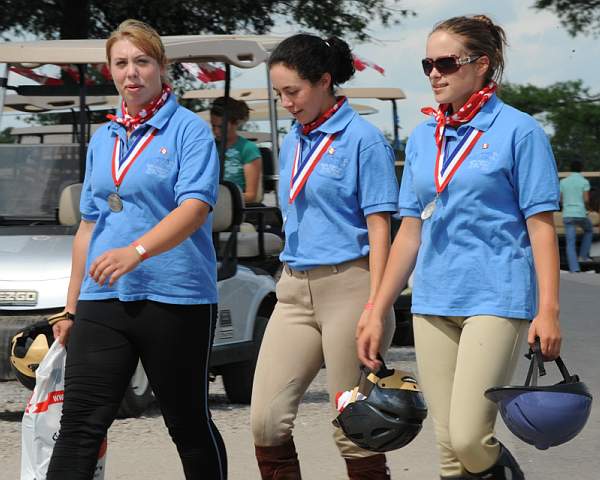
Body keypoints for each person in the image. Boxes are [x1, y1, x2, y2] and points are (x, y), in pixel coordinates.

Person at [357, 15, 561, 480]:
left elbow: (541, 226)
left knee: (471, 436)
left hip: (496, 296)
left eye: (446, 62)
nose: (434, 73)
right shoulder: (425, 135)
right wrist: (377, 308)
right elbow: (410, 229)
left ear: (481, 64)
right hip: (433, 299)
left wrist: (547, 309)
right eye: (428, 62)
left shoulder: (518, 131)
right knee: (448, 444)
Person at [47, 19, 227, 480]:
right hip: (102, 298)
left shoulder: (189, 130)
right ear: (110, 71)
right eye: (122, 63)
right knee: (80, 424)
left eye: (142, 62)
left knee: (186, 423)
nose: (132, 73)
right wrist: (71, 308)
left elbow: (195, 208)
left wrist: (137, 252)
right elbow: (89, 224)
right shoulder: (104, 136)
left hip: (177, 295)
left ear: (161, 67)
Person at [250, 34, 398, 479]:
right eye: (278, 93)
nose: (286, 102)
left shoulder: (364, 140)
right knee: (265, 421)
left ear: (324, 81)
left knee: (354, 427)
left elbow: (380, 229)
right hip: (293, 288)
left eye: (292, 91)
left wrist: (376, 306)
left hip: (350, 289)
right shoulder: (292, 139)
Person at [210, 97, 263, 204]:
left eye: (221, 127)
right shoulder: (208, 147)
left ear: (235, 123)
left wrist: (224, 200)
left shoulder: (248, 149)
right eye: (213, 126)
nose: (216, 131)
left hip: (236, 210)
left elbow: (251, 195)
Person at [560, 160, 593, 271]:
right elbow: (586, 199)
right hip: (580, 213)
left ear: (570, 169)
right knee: (589, 230)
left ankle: (574, 269)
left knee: (570, 242)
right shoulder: (584, 181)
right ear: (581, 169)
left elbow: (561, 199)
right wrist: (588, 208)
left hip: (567, 214)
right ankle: (583, 256)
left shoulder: (563, 182)